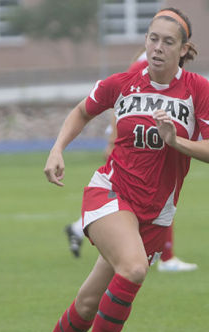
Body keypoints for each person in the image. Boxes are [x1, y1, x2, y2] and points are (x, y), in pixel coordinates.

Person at [10, 7, 209, 332]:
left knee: (86, 304)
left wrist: (177, 142)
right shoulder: (122, 83)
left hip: (156, 215)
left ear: (184, 49)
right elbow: (82, 111)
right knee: (134, 267)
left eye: (167, 42)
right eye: (152, 38)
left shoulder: (198, 91)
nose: (156, 47)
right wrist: (57, 149)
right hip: (110, 194)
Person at [64, 50, 198, 272]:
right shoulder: (146, 65)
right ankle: (166, 258)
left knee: (151, 194)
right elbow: (122, 99)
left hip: (147, 133)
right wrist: (111, 140)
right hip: (133, 135)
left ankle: (78, 229)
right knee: (146, 192)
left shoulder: (170, 67)